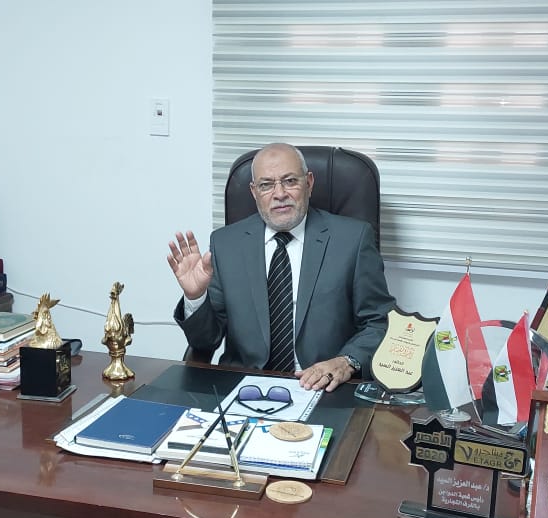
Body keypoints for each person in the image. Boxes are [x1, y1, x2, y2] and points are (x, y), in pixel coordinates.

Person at [168, 143, 395, 392]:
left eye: (290, 181)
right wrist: (195, 297)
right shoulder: (225, 244)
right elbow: (205, 341)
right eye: (266, 185)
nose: (279, 194)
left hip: (325, 388)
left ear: (309, 183)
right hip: (243, 387)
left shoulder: (352, 239)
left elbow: (379, 322)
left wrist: (346, 361)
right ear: (254, 192)